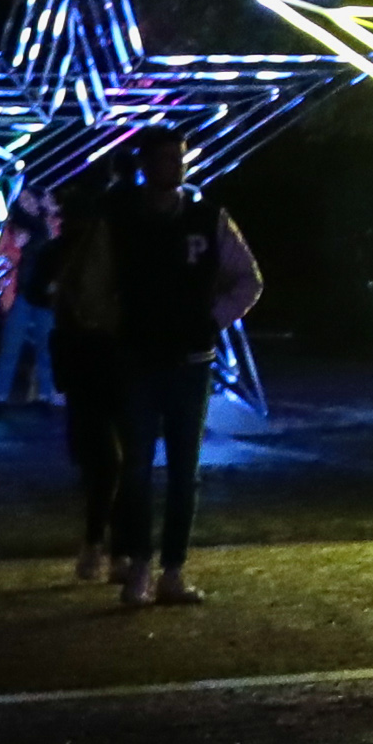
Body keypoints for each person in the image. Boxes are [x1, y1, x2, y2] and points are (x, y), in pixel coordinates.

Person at [105, 129, 261, 610]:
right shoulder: (123, 220)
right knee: (136, 469)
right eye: (165, 159)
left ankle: (169, 569)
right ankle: (140, 567)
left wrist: (208, 321)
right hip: (140, 356)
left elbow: (248, 280)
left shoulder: (206, 218)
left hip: (187, 360)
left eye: (179, 158)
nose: (175, 166)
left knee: (180, 470)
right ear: (146, 165)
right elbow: (99, 278)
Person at [46, 163, 127, 580]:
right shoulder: (94, 245)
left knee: (104, 458)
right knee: (111, 458)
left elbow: (42, 289)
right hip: (102, 359)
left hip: (90, 361)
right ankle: (108, 545)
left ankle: (102, 544)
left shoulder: (76, 247)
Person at [0, 184, 64, 409]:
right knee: (11, 344)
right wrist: (15, 251)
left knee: (46, 346)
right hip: (22, 294)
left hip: (45, 295)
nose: (28, 203)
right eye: (23, 200)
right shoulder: (13, 229)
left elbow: (61, 250)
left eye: (31, 199)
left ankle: (46, 394)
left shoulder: (50, 224)